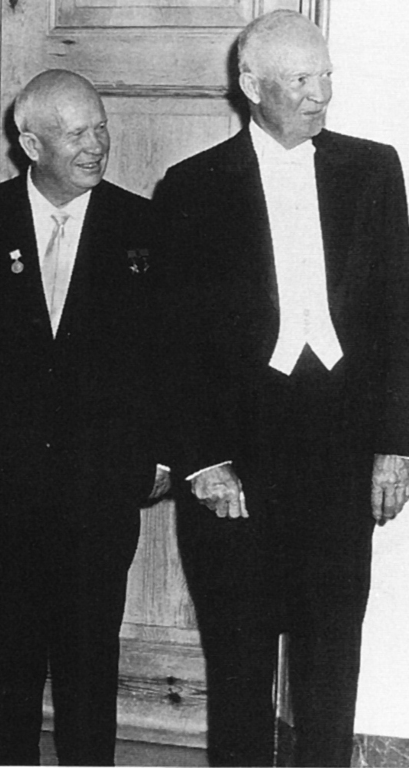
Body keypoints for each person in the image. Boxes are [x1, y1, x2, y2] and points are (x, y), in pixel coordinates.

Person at [155, 10, 409, 766]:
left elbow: (401, 313)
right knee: (238, 673)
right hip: (239, 469)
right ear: (249, 85)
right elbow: (171, 344)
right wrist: (200, 462)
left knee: (331, 669)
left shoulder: (373, 169)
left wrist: (396, 447)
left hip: (340, 461)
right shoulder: (192, 187)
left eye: (325, 76)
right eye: (300, 80)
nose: (319, 94)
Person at [0, 69, 171, 766]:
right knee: (5, 663)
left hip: (100, 491)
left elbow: (173, 358)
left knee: (89, 667)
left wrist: (160, 457)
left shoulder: (142, 228)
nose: (96, 145)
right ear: (30, 142)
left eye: (100, 127)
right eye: (76, 133)